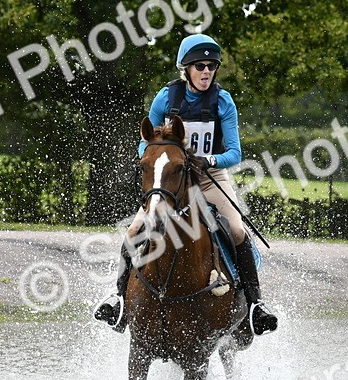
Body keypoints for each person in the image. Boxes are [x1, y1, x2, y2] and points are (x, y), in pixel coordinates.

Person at [94, 34, 278, 336]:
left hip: (209, 178)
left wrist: (210, 161)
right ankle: (119, 301)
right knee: (133, 231)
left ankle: (256, 305)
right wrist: (155, 159)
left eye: (212, 66)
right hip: (172, 179)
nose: (207, 72)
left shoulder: (222, 101)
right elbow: (146, 143)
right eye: (200, 66)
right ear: (186, 69)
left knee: (235, 230)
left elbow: (235, 152)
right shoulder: (166, 98)